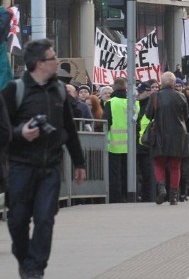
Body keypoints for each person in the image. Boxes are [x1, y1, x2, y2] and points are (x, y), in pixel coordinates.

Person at [3, 39, 86, 279]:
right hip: (20, 165)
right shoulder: (13, 90)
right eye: (53, 58)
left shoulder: (59, 89)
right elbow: (3, 127)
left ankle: (35, 269)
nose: (57, 61)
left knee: (45, 219)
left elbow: (69, 129)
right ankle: (24, 257)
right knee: (17, 220)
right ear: (40, 64)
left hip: (50, 166)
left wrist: (79, 162)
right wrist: (21, 133)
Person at [145, 72, 189, 205]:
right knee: (175, 166)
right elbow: (186, 116)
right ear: (173, 83)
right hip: (178, 135)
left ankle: (161, 187)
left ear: (161, 82)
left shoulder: (154, 97)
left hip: (159, 134)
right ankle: (174, 196)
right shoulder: (181, 96)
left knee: (159, 163)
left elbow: (148, 115)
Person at [103, 77, 138, 203]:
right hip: (131, 144)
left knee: (114, 174)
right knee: (128, 172)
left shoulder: (110, 102)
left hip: (114, 144)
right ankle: (128, 195)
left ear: (113, 87)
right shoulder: (133, 102)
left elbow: (106, 122)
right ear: (126, 88)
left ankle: (116, 198)